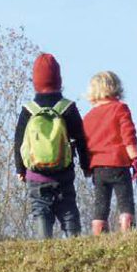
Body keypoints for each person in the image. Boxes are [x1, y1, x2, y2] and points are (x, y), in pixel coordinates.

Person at [14, 53, 91, 239]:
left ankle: (44, 245)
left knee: (40, 210)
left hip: (36, 176)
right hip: (63, 173)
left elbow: (18, 141)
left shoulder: (28, 110)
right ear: (59, 80)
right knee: (68, 209)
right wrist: (85, 165)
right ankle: (74, 241)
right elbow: (81, 138)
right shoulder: (67, 107)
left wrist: (20, 169)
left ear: (35, 81)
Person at [82, 70, 137, 234]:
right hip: (118, 164)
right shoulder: (120, 109)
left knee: (100, 204)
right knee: (125, 202)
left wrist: (87, 166)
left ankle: (99, 234)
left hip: (98, 168)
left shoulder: (88, 117)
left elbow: (85, 144)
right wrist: (136, 159)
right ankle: (127, 232)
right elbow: (128, 136)